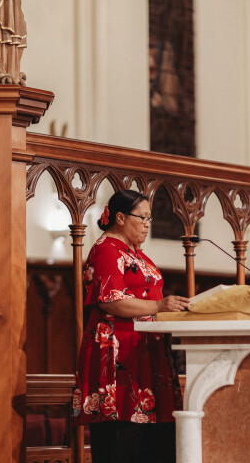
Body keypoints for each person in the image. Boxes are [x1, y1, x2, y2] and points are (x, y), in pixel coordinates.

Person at [73, 189, 190, 463]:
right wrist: (160, 306)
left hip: (146, 352)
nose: (147, 224)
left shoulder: (135, 253)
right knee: (124, 443)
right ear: (120, 218)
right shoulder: (106, 249)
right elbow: (112, 301)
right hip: (118, 355)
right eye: (142, 217)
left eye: (150, 218)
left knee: (153, 444)